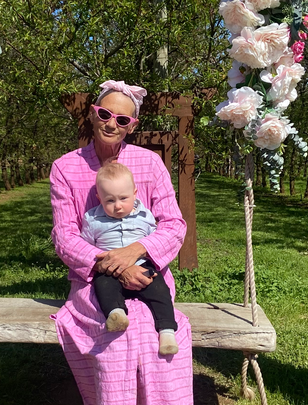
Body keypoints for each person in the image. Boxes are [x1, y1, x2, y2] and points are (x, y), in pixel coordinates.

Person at [50, 80, 193, 404]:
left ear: (132, 125)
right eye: (104, 114)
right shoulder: (65, 168)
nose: (111, 124)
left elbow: (173, 224)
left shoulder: (150, 163)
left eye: (122, 119)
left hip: (148, 272)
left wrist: (135, 252)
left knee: (154, 329)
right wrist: (112, 266)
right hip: (94, 281)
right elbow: (64, 235)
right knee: (115, 333)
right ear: (92, 114)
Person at [82, 162, 178, 355]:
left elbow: (155, 240)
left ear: (135, 194)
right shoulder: (92, 220)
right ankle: (116, 314)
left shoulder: (145, 216)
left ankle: (167, 331)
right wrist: (99, 262)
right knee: (103, 285)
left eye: (123, 198)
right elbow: (86, 245)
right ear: (99, 198)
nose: (117, 206)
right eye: (110, 200)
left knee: (160, 290)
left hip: (142, 265)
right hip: (110, 269)